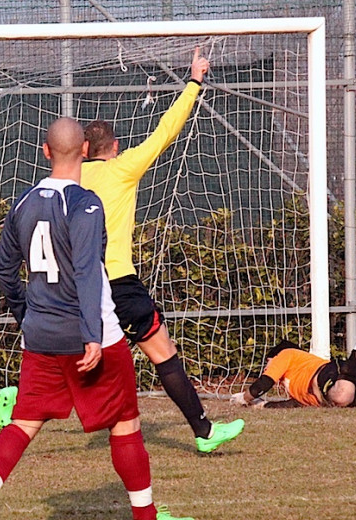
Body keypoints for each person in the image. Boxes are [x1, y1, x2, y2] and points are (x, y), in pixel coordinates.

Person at [0, 117, 195, 520]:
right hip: (95, 339)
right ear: (85, 153)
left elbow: (2, 270)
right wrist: (92, 334)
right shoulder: (87, 204)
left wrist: (26, 314)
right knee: (125, 423)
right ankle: (146, 519)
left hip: (42, 337)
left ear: (46, 151)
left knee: (23, 423)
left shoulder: (22, 202)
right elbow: (90, 272)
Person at [81, 48, 244, 452]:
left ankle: (20, 399)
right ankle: (203, 432)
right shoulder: (124, 166)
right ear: (114, 146)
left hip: (80, 285)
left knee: (70, 358)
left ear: (83, 151)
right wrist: (194, 81)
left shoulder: (73, 177)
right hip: (118, 282)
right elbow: (166, 130)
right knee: (163, 352)